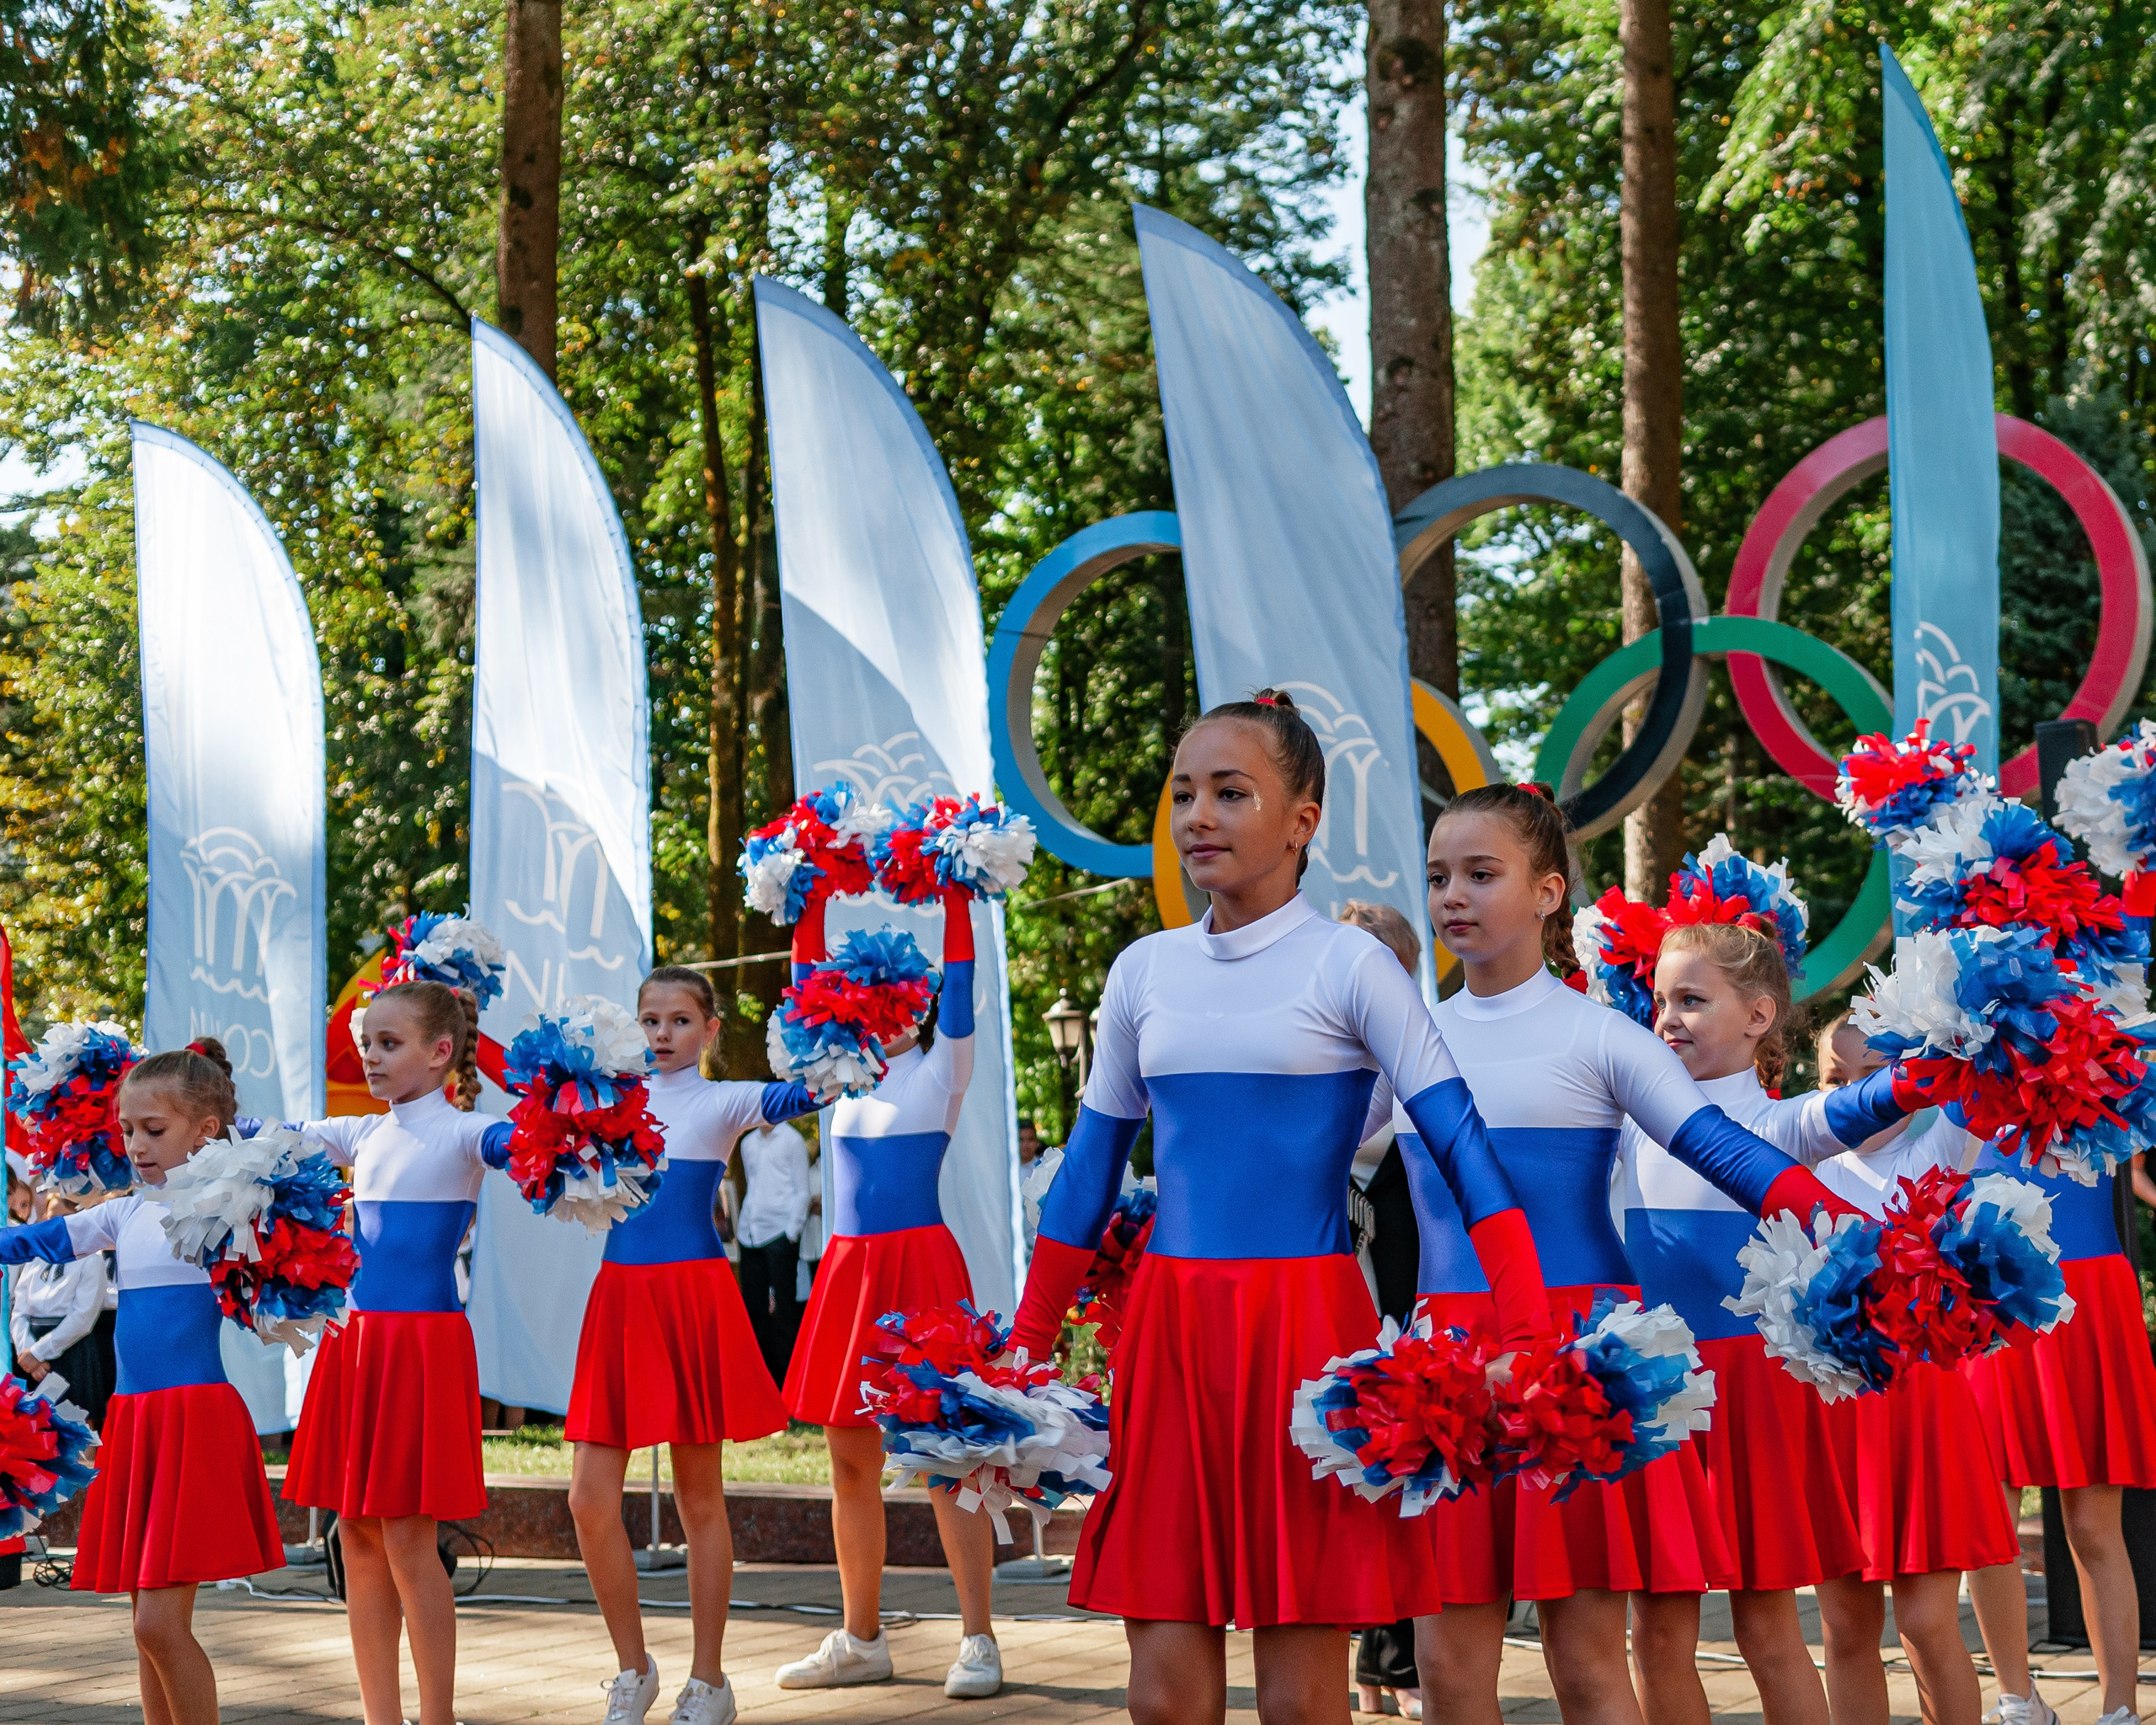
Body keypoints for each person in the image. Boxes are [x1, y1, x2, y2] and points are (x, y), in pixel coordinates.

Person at [1007, 692, 1556, 1725]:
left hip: (1305, 1339)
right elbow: (1085, 1175)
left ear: (1301, 820)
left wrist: (1528, 1330)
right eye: (1183, 794)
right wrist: (1026, 1348)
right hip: (1167, 1338)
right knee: (1162, 1692)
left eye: (1230, 791)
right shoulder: (1143, 969)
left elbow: (1464, 1147)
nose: (1198, 815)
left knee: (1303, 1696)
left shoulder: (1349, 963)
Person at [1399, 783, 1863, 1725]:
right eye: (1440, 874)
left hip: (1579, 1355)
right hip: (1443, 1353)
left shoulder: (1602, 1034)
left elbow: (1728, 1150)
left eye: (1481, 873)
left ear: (1546, 891)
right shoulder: (1401, 1033)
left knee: (1585, 1659)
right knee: (1445, 1664)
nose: (1453, 894)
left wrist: (1873, 1246)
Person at [1619, 918, 1927, 1725]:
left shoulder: (1778, 1124)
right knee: (1654, 1629)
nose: (1668, 1019)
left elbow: (1862, 1104)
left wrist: (1947, 1062)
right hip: (1651, 1389)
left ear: (1758, 1016)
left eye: (1692, 999)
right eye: (1660, 1000)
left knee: (1765, 1623)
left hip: (1753, 1392)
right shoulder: (1623, 1118)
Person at [0, 1047, 285, 1725]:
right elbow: (32, 1241)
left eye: (153, 1129)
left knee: (159, 1624)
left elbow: (282, 1185)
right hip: (137, 1424)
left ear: (206, 1131)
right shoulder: (122, 1215)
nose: (135, 1144)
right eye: (128, 1130)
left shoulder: (226, 1214)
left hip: (196, 1421)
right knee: (142, 1625)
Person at [567, 964, 818, 1725]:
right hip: (620, 1296)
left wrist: (843, 1017)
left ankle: (709, 1681)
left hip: (693, 1296)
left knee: (699, 1495)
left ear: (710, 1031)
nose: (662, 1035)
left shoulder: (723, 1100)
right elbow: (523, 1086)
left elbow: (813, 1089)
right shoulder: (609, 1099)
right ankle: (632, 1668)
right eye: (650, 1020)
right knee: (587, 1499)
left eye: (680, 1021)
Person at [774, 878, 1005, 1701]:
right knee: (848, 1458)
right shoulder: (838, 1076)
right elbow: (805, 978)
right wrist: (812, 889)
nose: (893, 1009)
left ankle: (979, 1637)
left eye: (907, 996)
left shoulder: (945, 1065)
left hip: (920, 1271)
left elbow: (964, 979)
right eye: (876, 997)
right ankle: (861, 1635)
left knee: (946, 1458)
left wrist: (952, 895)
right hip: (848, 1271)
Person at [284, 979, 516, 1725]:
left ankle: (437, 1717)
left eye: (389, 1045)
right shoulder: (362, 1134)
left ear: (440, 1052)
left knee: (411, 1538)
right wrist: (197, 1117)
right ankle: (381, 1716)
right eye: (368, 1045)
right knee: (353, 1530)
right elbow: (271, 1137)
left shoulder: (463, 1133)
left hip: (419, 1346)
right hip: (355, 1345)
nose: (372, 1060)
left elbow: (523, 1144)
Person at [1808, 1015, 2018, 1725]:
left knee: (1928, 1625)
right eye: (1833, 1081)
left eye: (1870, 1077)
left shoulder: (1942, 1146)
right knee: (1845, 1629)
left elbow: (1989, 1070)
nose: (1851, 1097)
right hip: (1833, 1416)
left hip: (1923, 1411)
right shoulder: (1798, 1163)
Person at [1959, 1026, 2156, 1725]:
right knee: (1991, 1521)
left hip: (2089, 1301)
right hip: (1991, 1292)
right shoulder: (1957, 1056)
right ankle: (2019, 1702)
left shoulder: (2113, 1055)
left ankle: (2119, 1710)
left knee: (2095, 1527)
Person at [1339, 899, 1425, 1722]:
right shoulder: (1308, 1058)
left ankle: (1395, 1652)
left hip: (1402, 1290)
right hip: (1331, 1295)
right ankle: (1367, 1648)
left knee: (1398, 1456)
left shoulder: (1422, 1060)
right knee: (1345, 1463)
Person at [9, 1188, 112, 1426]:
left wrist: (39, 1353)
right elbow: (20, 1308)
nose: (49, 1225)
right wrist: (27, 1352)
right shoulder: (37, 1259)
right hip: (31, 1349)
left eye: (58, 1219)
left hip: (69, 1348)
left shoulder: (91, 1260)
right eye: (48, 1218)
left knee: (74, 1425)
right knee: (34, 1426)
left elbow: (82, 1318)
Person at [736, 1106, 812, 1388]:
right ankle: (761, 1384)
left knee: (784, 1311)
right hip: (749, 1233)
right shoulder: (747, 1143)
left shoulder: (792, 1140)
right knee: (754, 1310)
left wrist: (791, 1233)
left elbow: (802, 1190)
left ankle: (789, 1385)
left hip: (780, 1233)